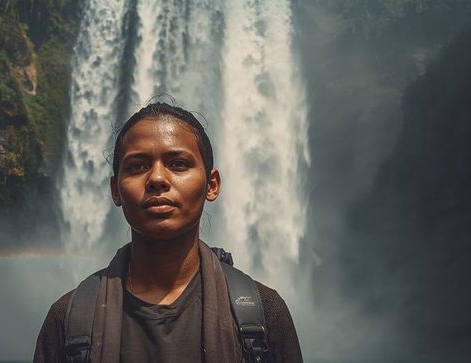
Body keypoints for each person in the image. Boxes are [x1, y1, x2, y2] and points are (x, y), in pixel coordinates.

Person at [33, 103, 303, 362]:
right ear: (115, 190)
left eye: (178, 164)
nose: (157, 179)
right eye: (137, 166)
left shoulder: (263, 315)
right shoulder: (69, 321)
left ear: (212, 184)